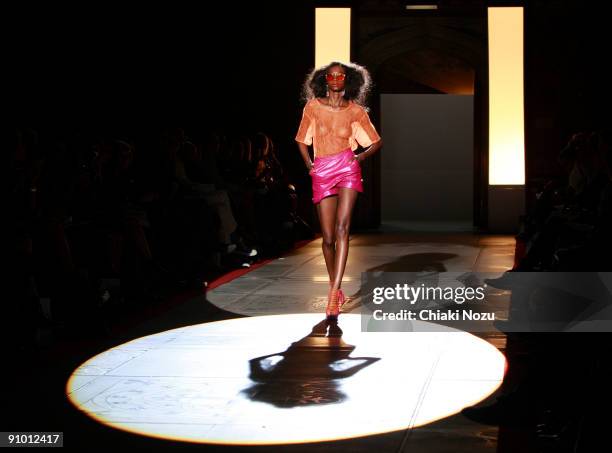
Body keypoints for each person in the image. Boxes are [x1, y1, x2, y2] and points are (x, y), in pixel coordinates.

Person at [295, 61, 383, 321]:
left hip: (347, 166)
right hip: (322, 169)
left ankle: (333, 292)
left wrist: (360, 158)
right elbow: (301, 140)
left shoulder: (355, 111)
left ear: (347, 79)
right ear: (325, 79)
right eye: (330, 75)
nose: (335, 79)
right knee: (328, 237)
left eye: (339, 75)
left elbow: (376, 141)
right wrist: (310, 166)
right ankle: (337, 286)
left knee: (344, 228)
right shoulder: (313, 107)